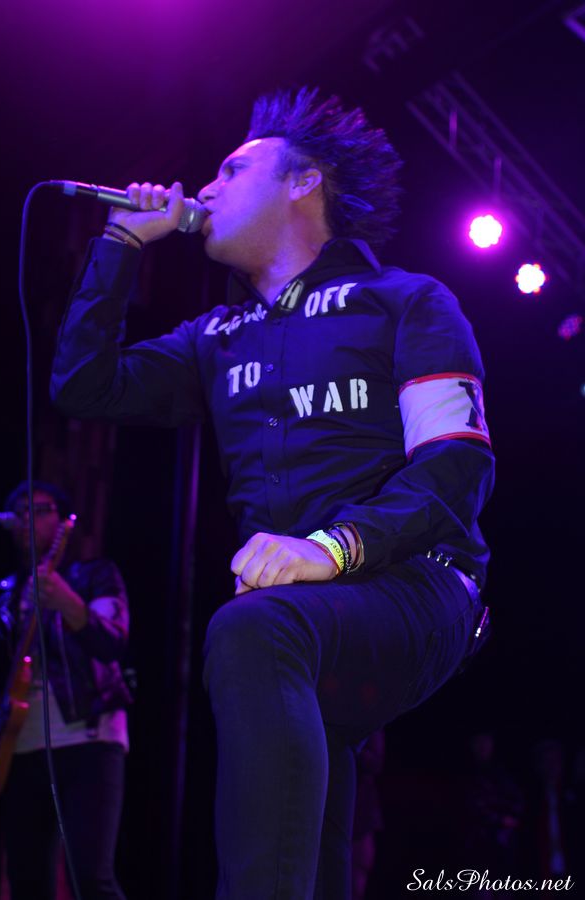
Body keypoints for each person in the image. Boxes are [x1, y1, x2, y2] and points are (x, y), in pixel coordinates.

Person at [49, 87, 495, 899]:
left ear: (303, 181)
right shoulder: (215, 339)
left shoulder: (406, 301)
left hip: (420, 584)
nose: (206, 188)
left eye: (231, 170)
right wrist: (120, 242)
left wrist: (333, 547)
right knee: (311, 834)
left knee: (253, 631)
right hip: (301, 616)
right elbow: (84, 385)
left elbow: (456, 464)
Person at [0, 481, 131, 900]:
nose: (28, 519)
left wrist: (67, 602)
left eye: (41, 509)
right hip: (20, 747)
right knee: (26, 881)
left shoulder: (94, 575)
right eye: (19, 512)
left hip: (89, 739)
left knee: (90, 877)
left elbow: (113, 641)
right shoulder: (3, 595)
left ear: (64, 520)